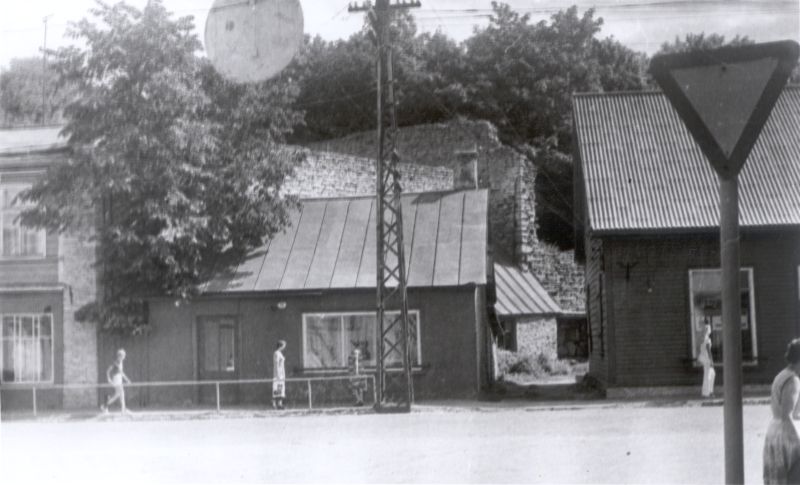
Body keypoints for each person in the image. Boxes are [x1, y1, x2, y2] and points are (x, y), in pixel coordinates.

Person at [764, 339, 800, 484]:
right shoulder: (793, 380)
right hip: (785, 436)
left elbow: (794, 413)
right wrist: (798, 441)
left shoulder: (782, 375)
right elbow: (788, 415)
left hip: (774, 431)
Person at [101, 348, 131, 414]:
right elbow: (108, 370)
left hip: (119, 379)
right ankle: (123, 410)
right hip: (116, 379)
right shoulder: (116, 362)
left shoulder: (121, 362)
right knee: (121, 393)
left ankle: (104, 406)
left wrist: (127, 380)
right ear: (120, 356)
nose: (124, 357)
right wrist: (109, 378)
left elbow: (121, 373)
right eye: (123, 356)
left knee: (118, 394)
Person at [697, 324, 715, 398]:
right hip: (707, 358)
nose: (710, 330)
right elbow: (709, 351)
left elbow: (699, 349)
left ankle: (707, 392)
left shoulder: (702, 338)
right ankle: (708, 392)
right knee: (709, 375)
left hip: (703, 357)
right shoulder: (707, 339)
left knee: (709, 374)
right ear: (708, 330)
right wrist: (711, 360)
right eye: (709, 329)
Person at [272, 340, 286, 410]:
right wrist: (278, 375)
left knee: (280, 389)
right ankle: (274, 404)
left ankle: (280, 404)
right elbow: (277, 364)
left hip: (281, 374)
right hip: (278, 374)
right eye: (283, 346)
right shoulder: (276, 353)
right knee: (276, 389)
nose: (284, 347)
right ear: (281, 346)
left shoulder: (280, 353)